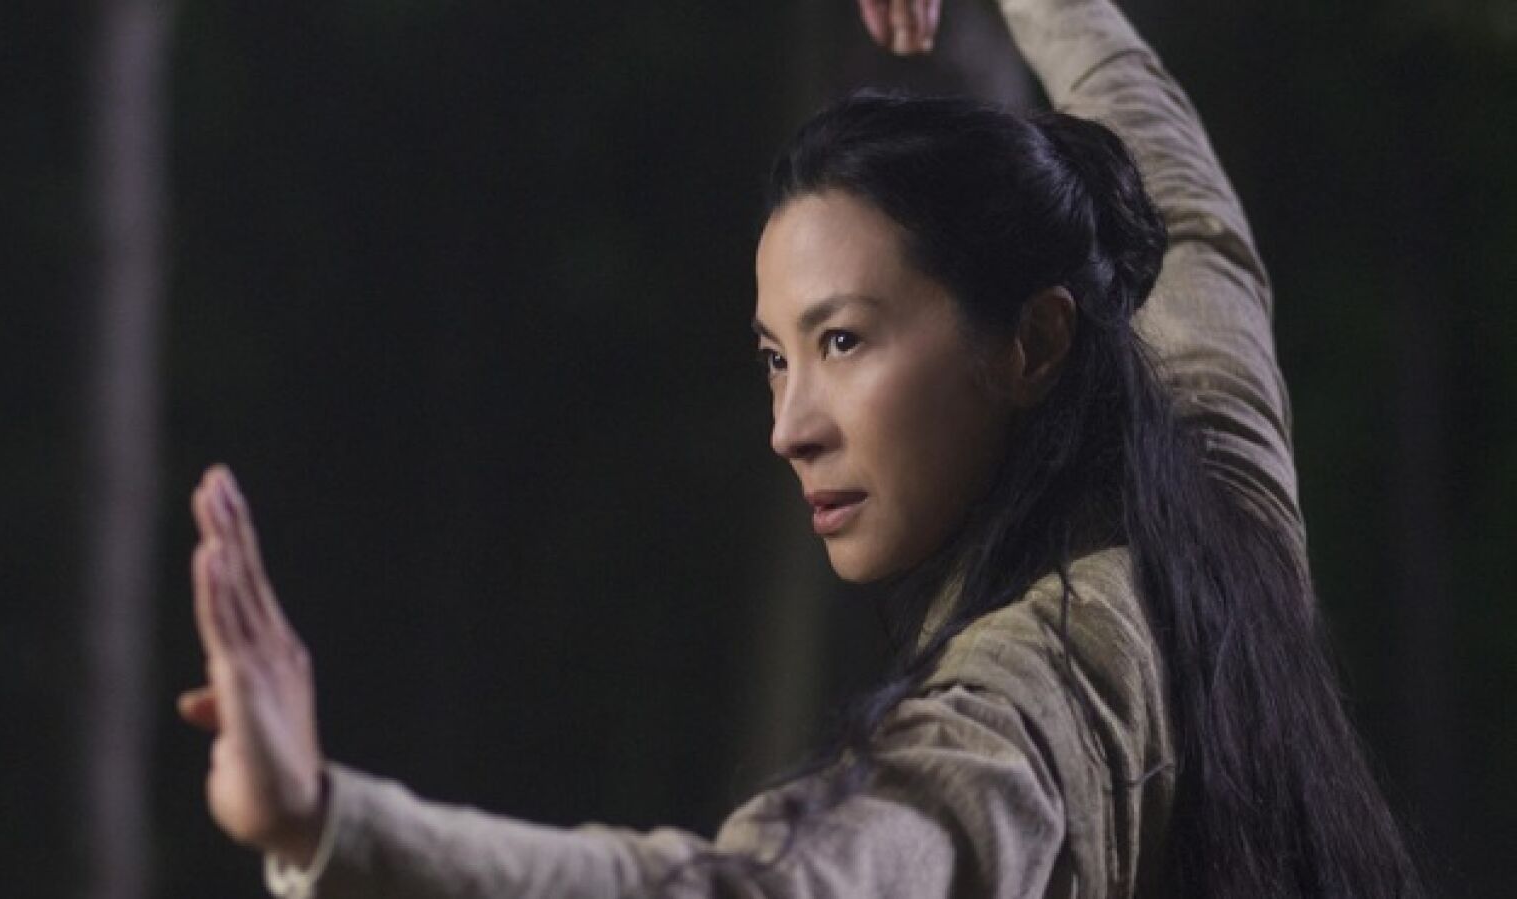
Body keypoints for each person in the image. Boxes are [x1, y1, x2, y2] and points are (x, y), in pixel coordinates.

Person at [179, 0, 1424, 895]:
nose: (789, 427)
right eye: (776, 357)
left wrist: (328, 824)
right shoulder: (1215, 475)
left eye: (842, 339)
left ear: (1034, 340)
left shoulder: (1042, 695)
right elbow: (1172, 173)